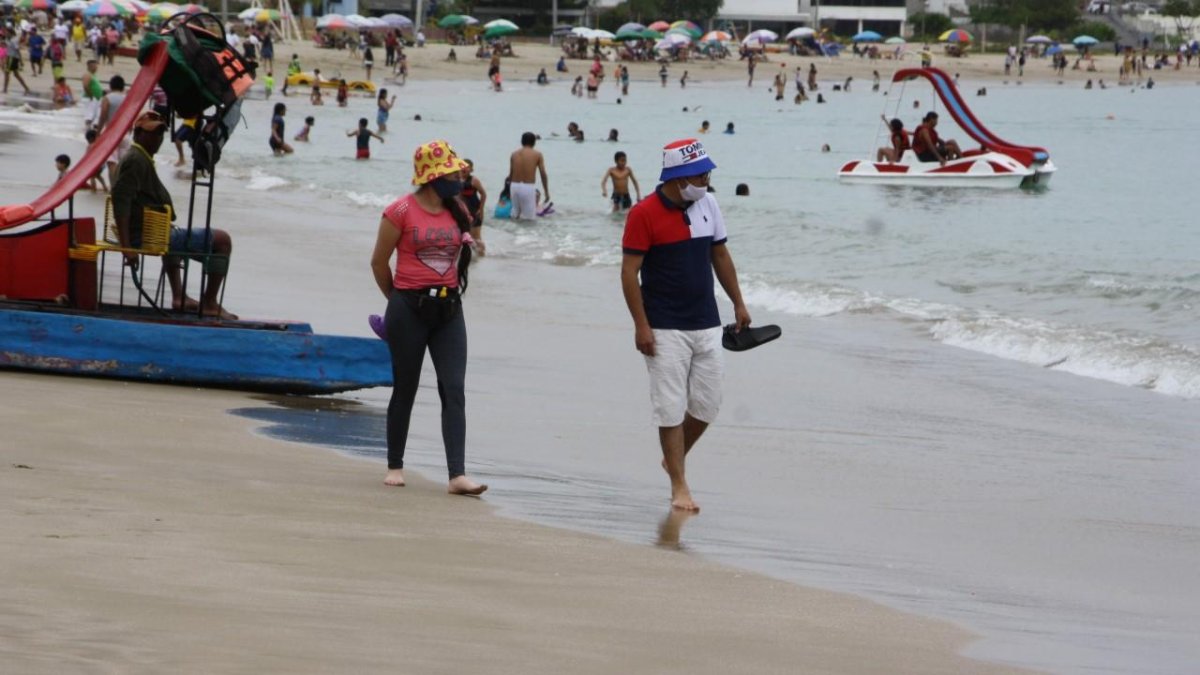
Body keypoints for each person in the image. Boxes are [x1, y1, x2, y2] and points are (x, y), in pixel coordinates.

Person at [620, 138, 751, 513]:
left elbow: (720, 255)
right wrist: (640, 326)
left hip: (706, 321)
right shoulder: (643, 213)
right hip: (664, 326)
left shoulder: (708, 203)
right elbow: (630, 273)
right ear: (678, 177)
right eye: (700, 173)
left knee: (708, 405)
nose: (706, 180)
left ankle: (672, 458)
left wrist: (739, 303)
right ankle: (679, 484)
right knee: (670, 407)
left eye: (707, 173)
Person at [369, 139, 486, 496]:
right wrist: (398, 302)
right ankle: (395, 465)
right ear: (433, 176)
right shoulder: (399, 212)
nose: (457, 177)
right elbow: (379, 262)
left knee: (454, 387)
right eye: (451, 172)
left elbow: (466, 250)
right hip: (408, 307)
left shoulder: (458, 210)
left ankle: (457, 475)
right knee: (405, 388)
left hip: (449, 310)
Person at [111, 111, 235, 319]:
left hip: (152, 231)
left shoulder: (141, 157)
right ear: (138, 133)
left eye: (160, 134)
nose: (157, 139)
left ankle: (179, 296)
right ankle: (210, 302)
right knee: (222, 240)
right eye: (152, 133)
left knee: (169, 231)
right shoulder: (136, 160)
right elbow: (120, 202)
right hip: (142, 236)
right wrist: (127, 248)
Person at [508, 131, 549, 220]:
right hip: (527, 187)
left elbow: (510, 174)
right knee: (529, 218)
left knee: (515, 214)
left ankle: (511, 232)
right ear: (534, 142)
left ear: (522, 141)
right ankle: (525, 234)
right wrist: (546, 191)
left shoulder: (514, 154)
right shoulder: (537, 154)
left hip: (514, 186)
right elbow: (543, 173)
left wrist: (506, 190)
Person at [459, 159, 487, 253]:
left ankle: (482, 255)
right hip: (462, 212)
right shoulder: (456, 180)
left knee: (476, 238)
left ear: (471, 169)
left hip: (474, 211)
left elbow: (483, 194)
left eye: (467, 167)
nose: (464, 168)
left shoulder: (474, 180)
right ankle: (471, 258)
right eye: (462, 166)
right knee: (464, 236)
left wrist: (481, 209)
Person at [3, 30, 30, 95]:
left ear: (11, 33)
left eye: (7, 33)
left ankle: (5, 89)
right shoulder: (8, 39)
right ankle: (26, 88)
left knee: (7, 73)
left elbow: (17, 49)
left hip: (12, 58)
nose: (6, 34)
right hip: (11, 58)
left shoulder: (14, 40)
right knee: (16, 74)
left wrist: (20, 60)